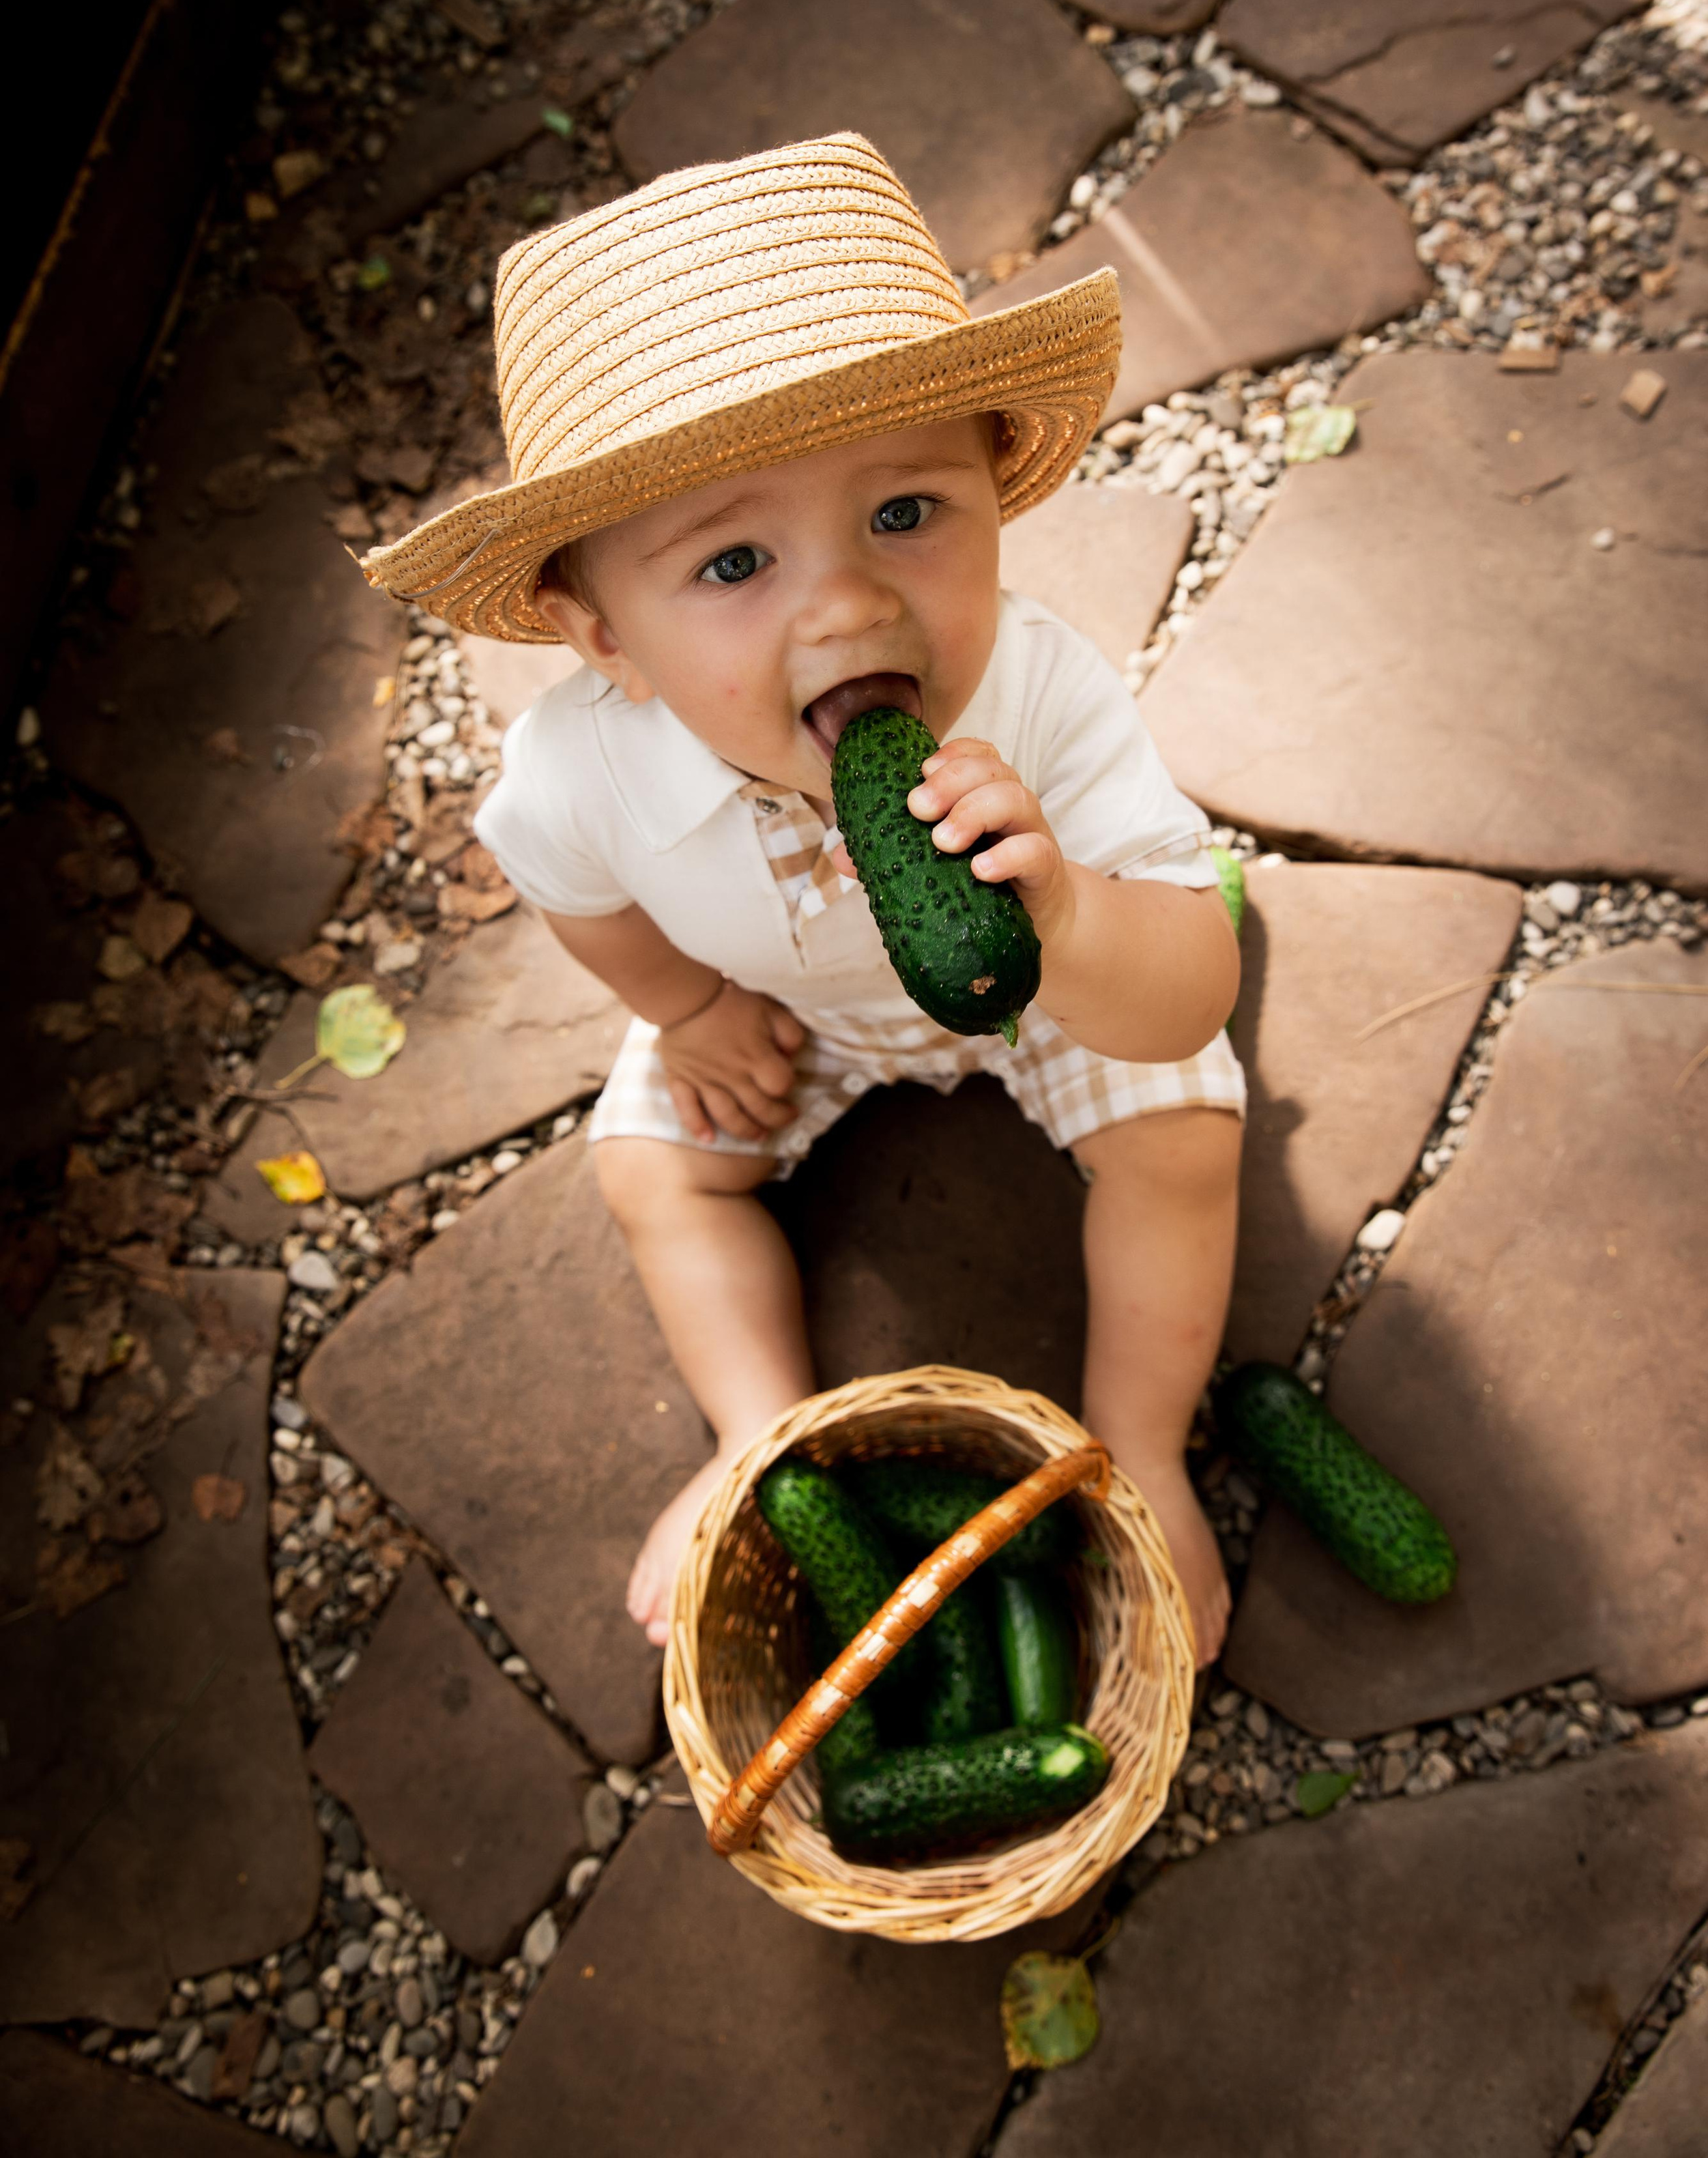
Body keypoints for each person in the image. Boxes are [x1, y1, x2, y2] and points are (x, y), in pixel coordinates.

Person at [364, 134, 1244, 1664]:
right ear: (603, 638)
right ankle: (758, 1434)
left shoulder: (1042, 695)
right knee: (652, 1175)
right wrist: (688, 1010)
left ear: (993, 491)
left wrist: (1072, 920)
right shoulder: (580, 770)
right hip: (781, 1013)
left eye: (905, 513)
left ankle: (1143, 1449)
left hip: (1054, 983)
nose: (846, 603)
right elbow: (574, 893)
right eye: (733, 564)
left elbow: (1190, 994)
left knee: (1182, 1141)